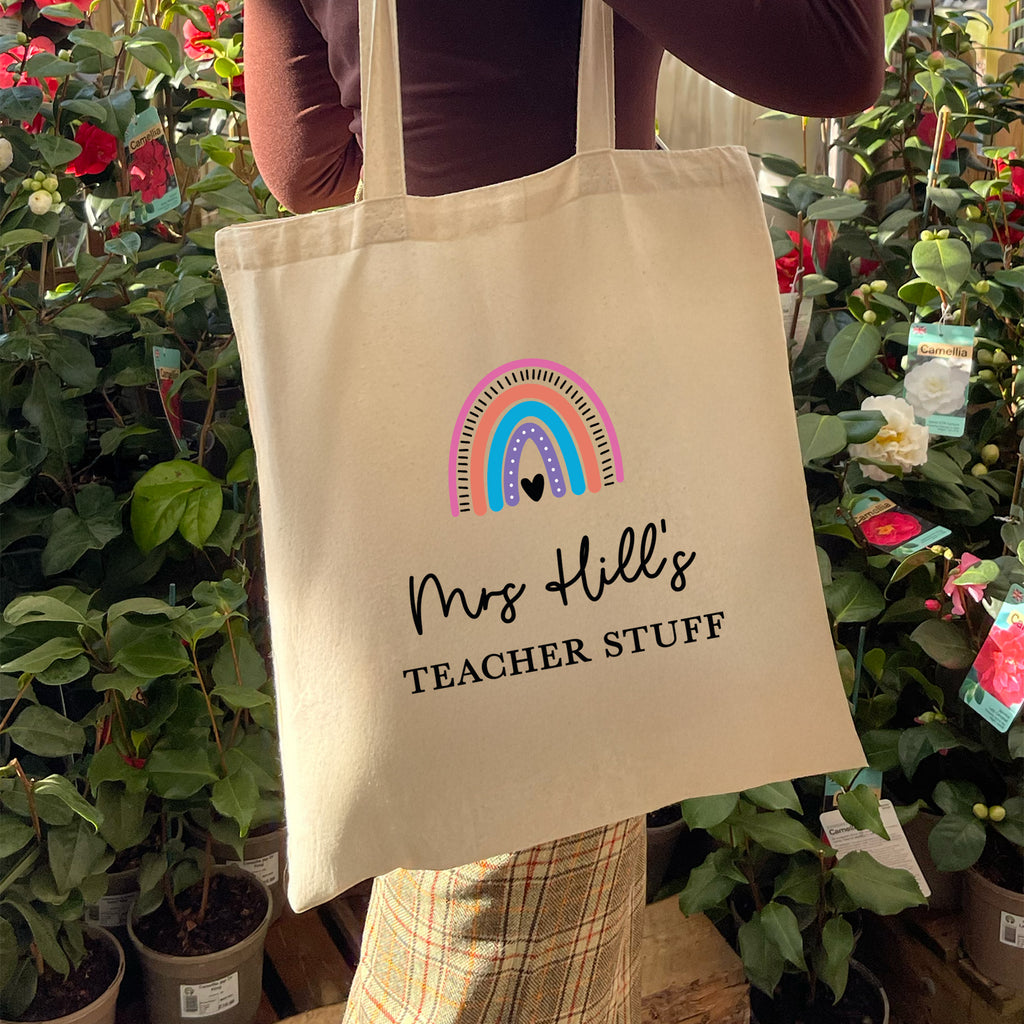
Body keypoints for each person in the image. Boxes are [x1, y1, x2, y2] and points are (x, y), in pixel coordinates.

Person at [242, 3, 884, 1021]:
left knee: (457, 858)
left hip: (424, 441)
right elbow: (834, 54)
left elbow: (303, 167)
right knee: (517, 914)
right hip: (575, 460)